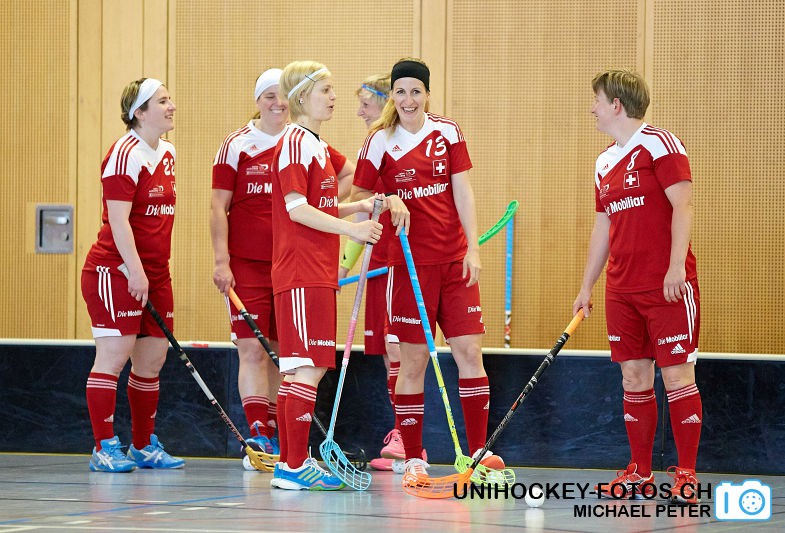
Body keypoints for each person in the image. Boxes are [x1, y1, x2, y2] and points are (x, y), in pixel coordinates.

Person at [353, 58, 503, 481]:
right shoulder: (379, 141)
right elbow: (362, 192)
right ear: (393, 96)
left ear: (427, 94)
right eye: (400, 91)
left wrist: (473, 248)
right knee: (413, 360)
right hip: (407, 267)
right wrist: (387, 197)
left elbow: (463, 191)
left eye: (415, 91)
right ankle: (414, 457)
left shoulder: (447, 132)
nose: (408, 99)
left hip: (454, 263)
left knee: (469, 353)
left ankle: (477, 454)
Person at [573, 69, 702, 505]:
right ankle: (640, 473)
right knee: (634, 376)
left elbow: (682, 204)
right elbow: (603, 225)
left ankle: (685, 472)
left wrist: (675, 268)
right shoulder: (604, 161)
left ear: (617, 105)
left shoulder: (660, 144)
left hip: (665, 285)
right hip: (621, 288)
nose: (591, 107)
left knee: (678, 376)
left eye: (596, 99)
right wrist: (587, 284)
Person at [269, 60, 385, 491]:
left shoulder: (315, 145)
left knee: (301, 367)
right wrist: (352, 229)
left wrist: (352, 208)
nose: (334, 97)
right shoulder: (296, 143)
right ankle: (293, 466)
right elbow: (296, 209)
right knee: (309, 368)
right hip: (300, 269)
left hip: (314, 270)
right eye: (326, 90)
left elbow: (313, 207)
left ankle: (291, 461)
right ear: (302, 98)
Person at [81, 78, 184, 472]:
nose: (171, 106)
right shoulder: (124, 154)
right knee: (112, 357)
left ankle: (143, 446)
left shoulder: (169, 152)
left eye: (169, 99)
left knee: (152, 360)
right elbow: (119, 222)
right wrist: (137, 274)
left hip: (155, 275)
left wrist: (152, 274)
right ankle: (103, 445)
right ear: (139, 112)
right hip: (116, 271)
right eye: (162, 101)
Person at [211, 69, 287, 458]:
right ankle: (258, 434)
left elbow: (343, 176)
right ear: (257, 100)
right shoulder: (237, 144)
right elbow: (217, 206)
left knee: (277, 350)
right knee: (253, 350)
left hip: (289, 266)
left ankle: (274, 432)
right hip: (246, 268)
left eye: (284, 95)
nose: (278, 103)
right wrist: (221, 262)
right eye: (269, 96)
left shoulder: (302, 141)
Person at [339, 74, 409, 472]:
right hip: (376, 260)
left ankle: (407, 438)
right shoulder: (370, 146)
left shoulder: (395, 147)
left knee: (399, 346)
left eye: (366, 101)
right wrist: (346, 266)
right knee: (386, 352)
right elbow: (362, 208)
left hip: (402, 260)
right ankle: (400, 432)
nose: (359, 109)